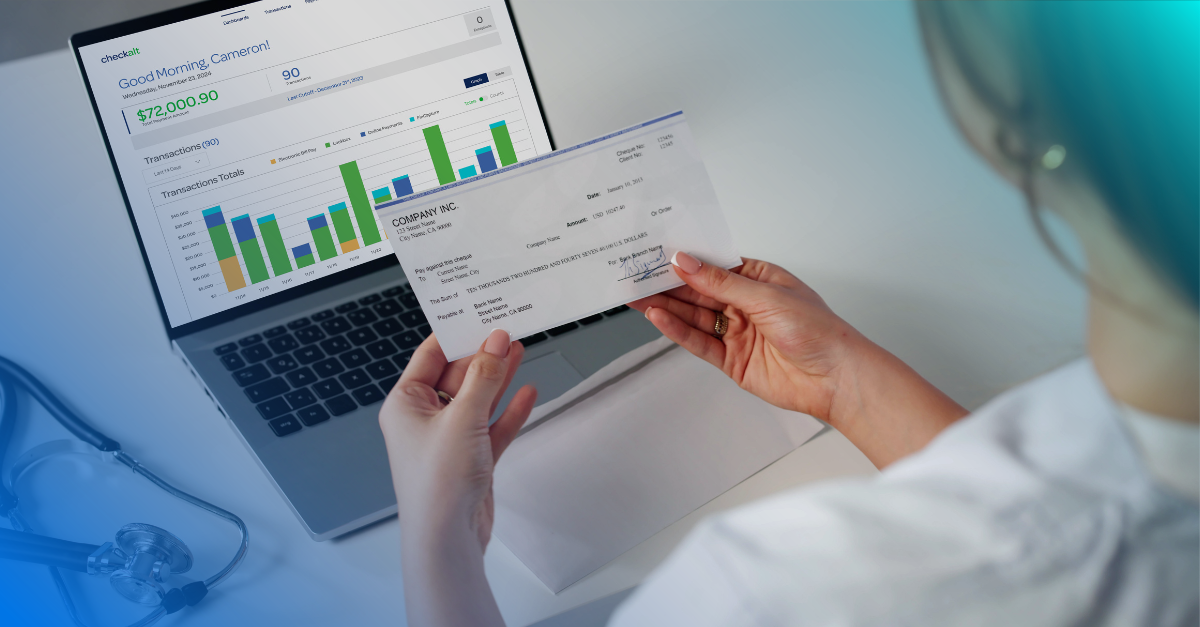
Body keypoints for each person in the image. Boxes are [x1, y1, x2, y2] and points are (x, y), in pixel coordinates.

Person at [377, 2, 1199, 625]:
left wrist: (438, 539)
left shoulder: (775, 591)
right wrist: (842, 382)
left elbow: (1050, 530)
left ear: (1025, 110)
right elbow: (1063, 493)